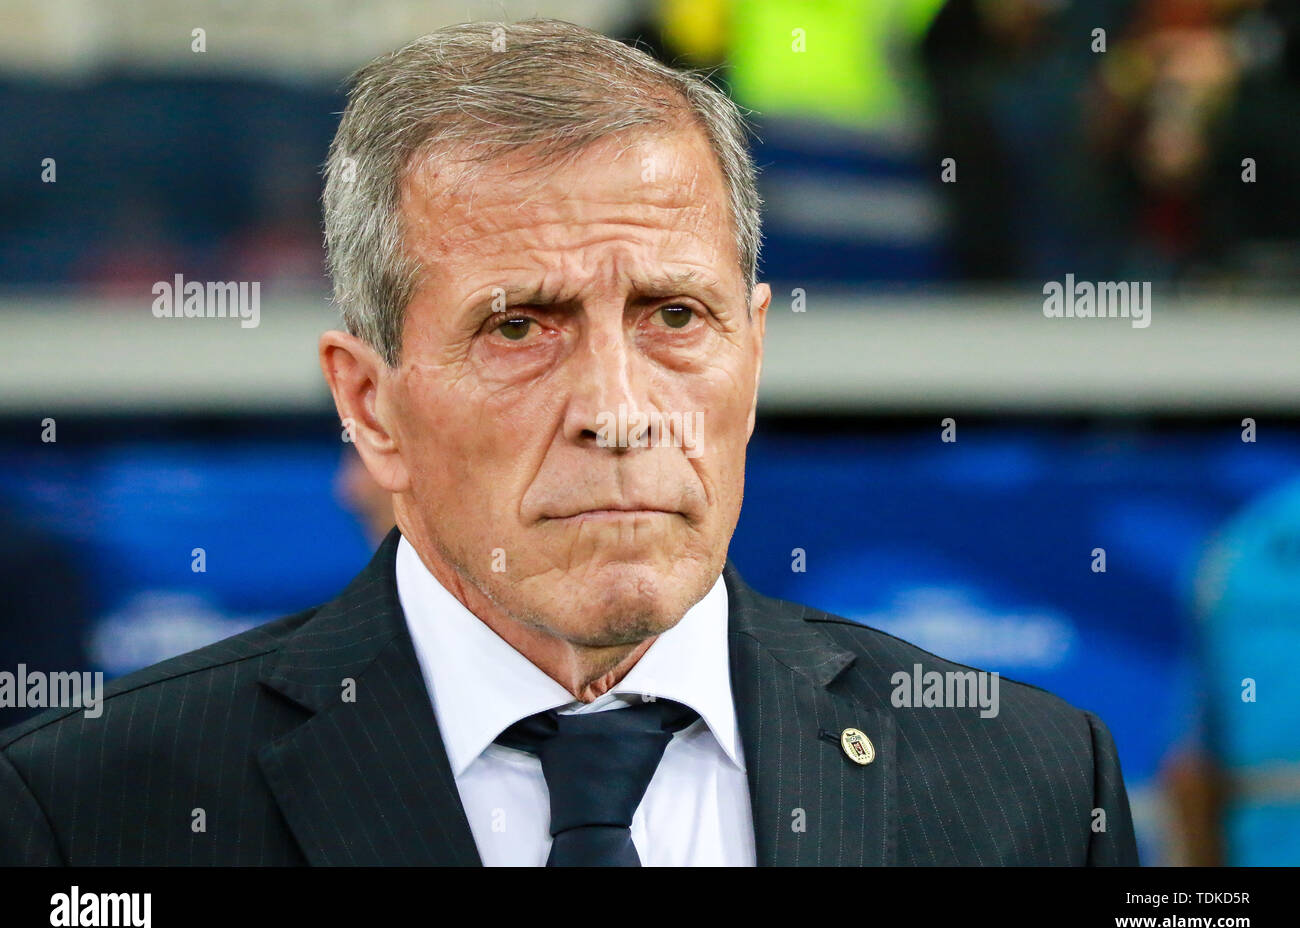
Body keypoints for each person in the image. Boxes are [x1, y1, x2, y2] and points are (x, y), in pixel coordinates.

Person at [0, 19, 1138, 866]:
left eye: (675, 316)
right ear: (369, 404)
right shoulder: (95, 813)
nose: (618, 407)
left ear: (754, 351)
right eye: (520, 326)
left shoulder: (1030, 785)